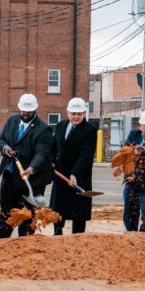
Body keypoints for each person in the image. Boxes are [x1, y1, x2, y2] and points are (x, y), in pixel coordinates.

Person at [0, 93, 54, 238]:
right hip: (9, 175)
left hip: (30, 180)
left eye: (29, 111)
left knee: (27, 217)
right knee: (7, 213)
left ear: (35, 109)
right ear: (19, 108)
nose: (26, 114)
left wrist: (31, 169)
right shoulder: (12, 121)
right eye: (23, 111)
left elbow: (42, 154)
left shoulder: (43, 129)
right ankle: (0, 242)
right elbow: (0, 139)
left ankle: (25, 245)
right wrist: (5, 148)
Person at [50, 97, 97, 235]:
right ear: (68, 113)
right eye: (73, 113)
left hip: (79, 176)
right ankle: (57, 234)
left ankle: (77, 240)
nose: (76, 117)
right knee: (58, 211)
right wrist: (52, 161)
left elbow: (86, 156)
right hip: (61, 175)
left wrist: (75, 173)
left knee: (78, 213)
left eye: (80, 114)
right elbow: (54, 147)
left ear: (84, 114)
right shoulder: (60, 126)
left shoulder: (89, 131)